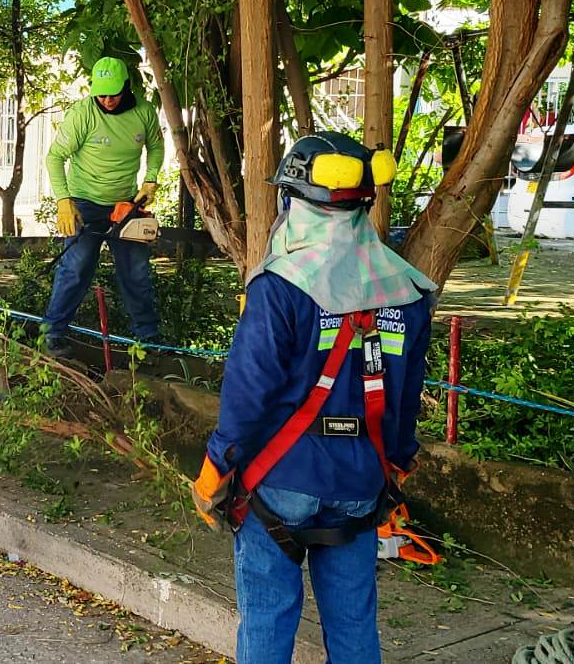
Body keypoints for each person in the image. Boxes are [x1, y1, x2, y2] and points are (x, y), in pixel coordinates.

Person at [192, 132, 436, 664]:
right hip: (360, 484)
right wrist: (395, 463)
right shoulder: (409, 292)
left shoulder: (280, 286)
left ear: (295, 201)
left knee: (268, 621)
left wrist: (217, 465)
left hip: (280, 485)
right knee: (353, 627)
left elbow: (248, 393)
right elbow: (404, 400)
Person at [41, 56, 166, 353]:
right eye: (101, 94)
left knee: (136, 271)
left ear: (126, 86)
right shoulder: (82, 114)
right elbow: (55, 157)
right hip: (84, 202)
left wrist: (150, 179)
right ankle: (52, 333)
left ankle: (147, 339)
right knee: (76, 268)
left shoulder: (144, 112)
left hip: (126, 205)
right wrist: (64, 201)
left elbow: (156, 146)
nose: (107, 100)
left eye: (113, 93)